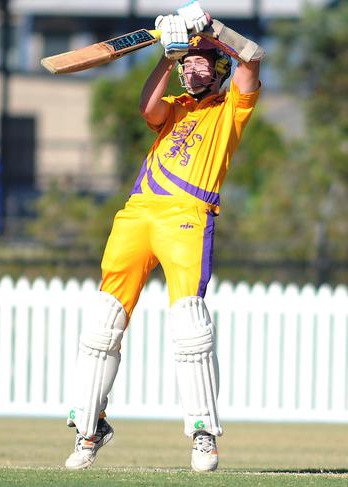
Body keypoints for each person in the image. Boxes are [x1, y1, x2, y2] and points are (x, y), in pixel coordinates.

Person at [64, 1, 263, 473]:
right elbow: (146, 107)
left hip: (188, 215)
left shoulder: (231, 108)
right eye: (187, 64)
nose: (192, 71)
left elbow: (252, 57)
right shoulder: (172, 107)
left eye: (200, 63)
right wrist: (168, 53)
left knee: (190, 327)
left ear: (217, 69)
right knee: (102, 322)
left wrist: (212, 29)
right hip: (137, 213)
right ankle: (90, 429)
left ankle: (202, 435)